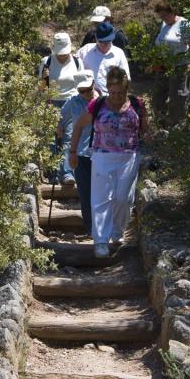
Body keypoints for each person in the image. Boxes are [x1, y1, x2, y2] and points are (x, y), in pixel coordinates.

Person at [68, 67, 149, 258]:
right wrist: (73, 152)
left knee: (123, 198)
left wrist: (146, 122)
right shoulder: (97, 105)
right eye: (113, 92)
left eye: (120, 92)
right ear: (108, 89)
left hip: (129, 157)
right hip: (102, 156)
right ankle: (101, 241)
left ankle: (117, 231)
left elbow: (145, 130)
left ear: (126, 89)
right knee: (101, 199)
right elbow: (78, 126)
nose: (116, 96)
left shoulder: (136, 104)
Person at [38, 32, 84, 184]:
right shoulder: (46, 61)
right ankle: (53, 174)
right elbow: (41, 89)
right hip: (51, 102)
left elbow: (81, 84)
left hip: (71, 103)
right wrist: (44, 78)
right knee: (51, 140)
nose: (63, 55)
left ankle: (68, 173)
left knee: (69, 138)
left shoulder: (77, 62)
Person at [59, 70, 99, 235]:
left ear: (94, 84)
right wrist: (59, 126)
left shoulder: (105, 101)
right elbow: (60, 117)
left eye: (89, 89)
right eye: (82, 91)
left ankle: (103, 227)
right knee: (85, 193)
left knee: (102, 193)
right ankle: (91, 229)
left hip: (102, 153)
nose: (86, 93)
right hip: (81, 154)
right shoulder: (73, 102)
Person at [151, 1, 190, 126]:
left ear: (172, 12)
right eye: (161, 16)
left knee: (177, 97)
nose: (163, 19)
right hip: (163, 65)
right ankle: (161, 122)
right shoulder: (164, 24)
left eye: (165, 15)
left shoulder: (184, 23)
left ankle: (176, 124)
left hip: (179, 66)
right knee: (158, 95)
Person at [78, 22, 130, 96]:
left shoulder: (119, 53)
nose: (104, 44)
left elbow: (126, 78)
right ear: (96, 37)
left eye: (107, 41)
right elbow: (74, 69)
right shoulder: (85, 51)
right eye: (101, 41)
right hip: (88, 96)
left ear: (112, 38)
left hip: (111, 97)